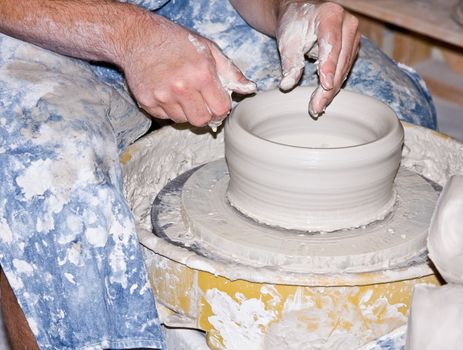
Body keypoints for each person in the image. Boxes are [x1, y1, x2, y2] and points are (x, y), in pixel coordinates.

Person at [0, 0, 436, 349]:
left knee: (390, 107)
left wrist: (289, 8)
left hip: (175, 8)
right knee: (55, 189)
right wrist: (128, 34)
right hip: (26, 24)